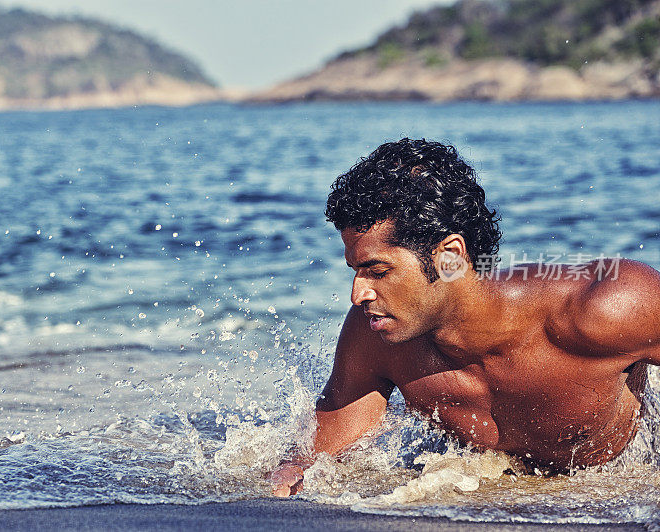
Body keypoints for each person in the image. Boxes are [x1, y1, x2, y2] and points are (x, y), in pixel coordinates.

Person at [270, 138, 659, 497]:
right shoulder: (375, 336)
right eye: (355, 270)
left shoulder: (608, 305)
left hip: (626, 474)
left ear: (451, 256)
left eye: (378, 271)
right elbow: (314, 461)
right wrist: (280, 486)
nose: (358, 294)